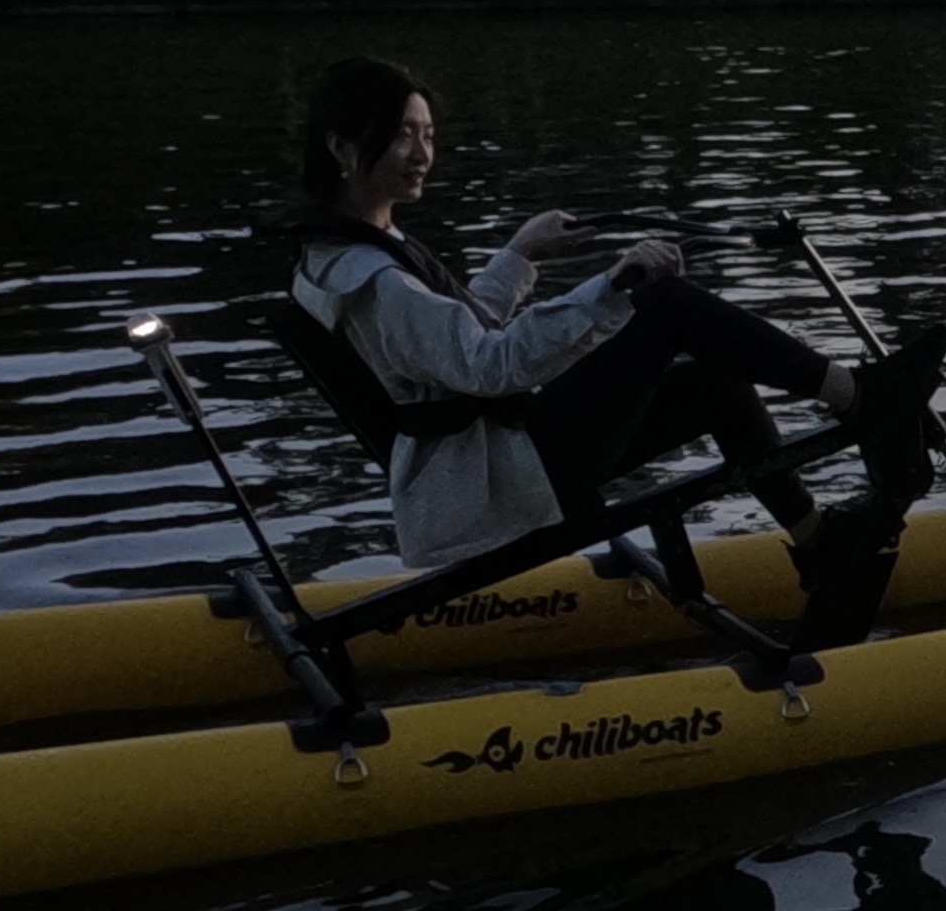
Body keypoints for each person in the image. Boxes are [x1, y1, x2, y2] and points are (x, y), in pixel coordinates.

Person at [282, 51, 897, 582]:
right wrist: (614, 283)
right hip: (499, 487)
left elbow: (447, 344)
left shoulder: (346, 252)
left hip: (489, 467)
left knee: (715, 378)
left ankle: (819, 545)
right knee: (664, 304)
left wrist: (521, 255)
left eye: (429, 136)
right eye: (401, 136)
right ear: (341, 146)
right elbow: (489, 364)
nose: (422, 155)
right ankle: (858, 399)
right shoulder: (373, 278)